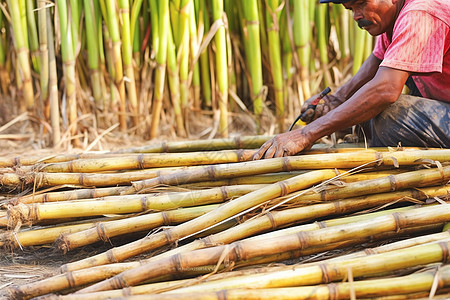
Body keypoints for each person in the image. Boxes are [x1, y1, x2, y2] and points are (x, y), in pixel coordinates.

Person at [253, 0, 450, 160]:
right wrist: (334, 101)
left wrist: (307, 134)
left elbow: (385, 90)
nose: (356, 16)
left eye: (362, 3)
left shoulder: (421, 13)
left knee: (387, 114)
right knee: (359, 112)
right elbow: (376, 64)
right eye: (351, 9)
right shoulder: (393, 20)